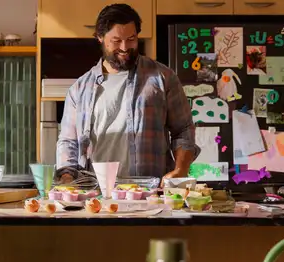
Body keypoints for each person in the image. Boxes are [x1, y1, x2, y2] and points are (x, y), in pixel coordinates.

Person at [56, 3, 199, 183]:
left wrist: (180, 170)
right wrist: (67, 177)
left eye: (131, 39)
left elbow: (184, 129)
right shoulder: (79, 89)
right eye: (116, 41)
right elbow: (69, 141)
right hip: (96, 195)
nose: (125, 47)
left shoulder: (163, 77)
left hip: (150, 193)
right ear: (99, 37)